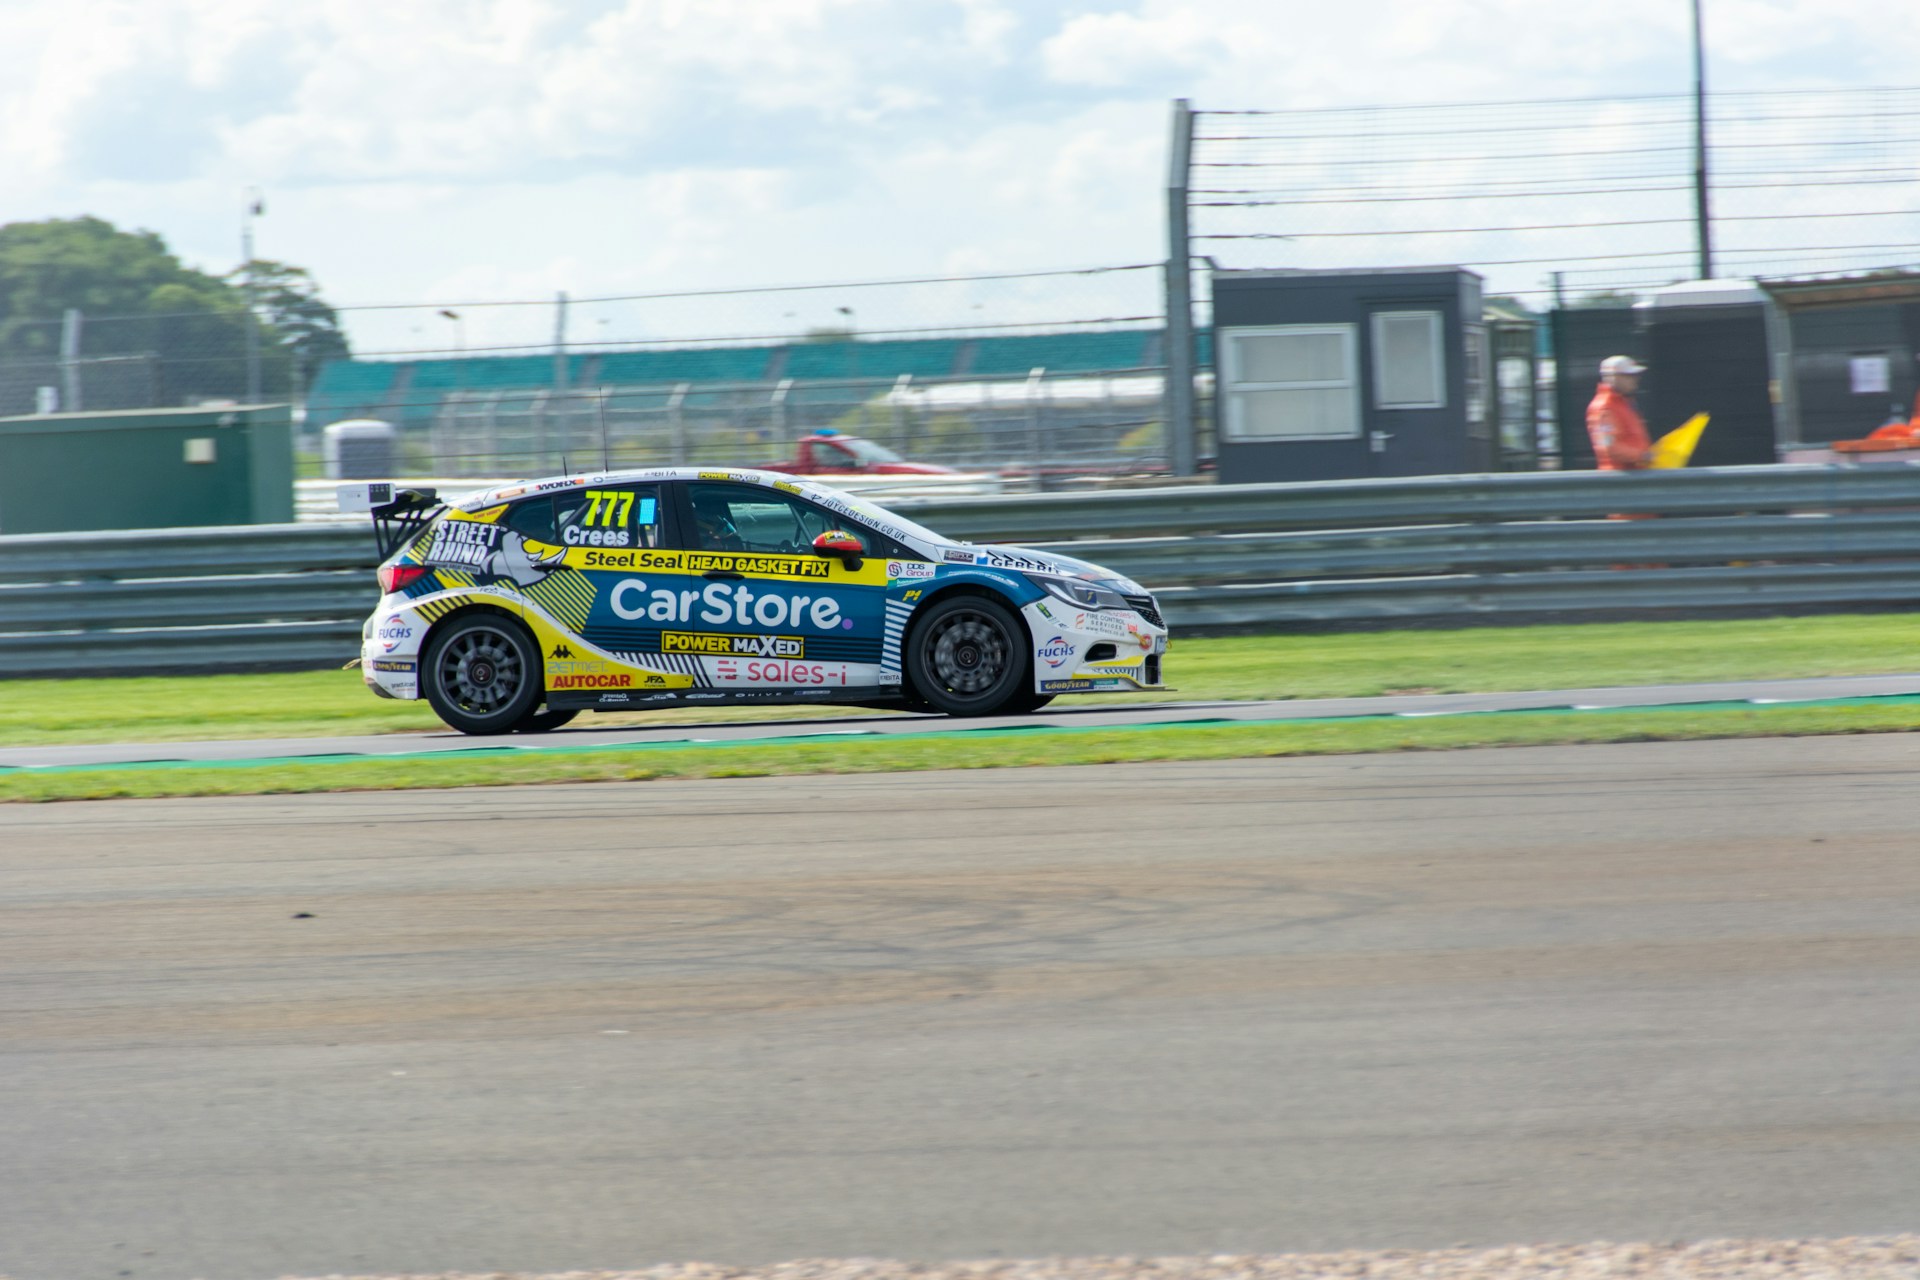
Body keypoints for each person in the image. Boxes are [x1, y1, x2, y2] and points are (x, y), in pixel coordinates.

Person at [1587, 355, 1652, 471]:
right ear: (1612, 377)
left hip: (1634, 473)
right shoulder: (1604, 407)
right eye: (1628, 376)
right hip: (1619, 476)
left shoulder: (1624, 403)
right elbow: (1609, 447)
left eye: (1635, 376)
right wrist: (1642, 456)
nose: (1635, 380)